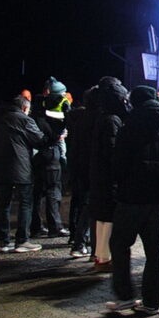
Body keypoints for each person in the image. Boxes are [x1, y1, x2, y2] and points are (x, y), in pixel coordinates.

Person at [106, 86, 159, 316]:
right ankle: (152, 302)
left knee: (120, 245)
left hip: (130, 199)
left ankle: (125, 296)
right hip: (157, 201)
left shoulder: (128, 130)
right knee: (154, 250)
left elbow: (117, 165)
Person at [0, 96, 46, 253]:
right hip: (21, 168)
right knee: (25, 203)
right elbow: (39, 140)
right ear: (24, 108)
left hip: (0, 168)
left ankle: (3, 241)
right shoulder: (25, 120)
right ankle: (22, 240)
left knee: (3, 204)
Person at [90, 76, 129, 272]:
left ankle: (100, 255)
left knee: (102, 217)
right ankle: (105, 258)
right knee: (109, 218)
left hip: (100, 176)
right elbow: (112, 149)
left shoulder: (102, 117)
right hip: (109, 178)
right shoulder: (113, 120)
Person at [31, 76, 70, 238]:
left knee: (38, 191)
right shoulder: (60, 105)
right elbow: (55, 131)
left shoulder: (38, 107)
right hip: (51, 152)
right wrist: (59, 136)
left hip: (37, 155)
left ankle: (35, 226)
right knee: (53, 190)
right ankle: (55, 226)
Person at [66, 85, 99, 258]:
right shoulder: (96, 119)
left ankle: (77, 239)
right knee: (89, 205)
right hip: (90, 168)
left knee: (81, 203)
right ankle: (82, 242)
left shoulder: (79, 118)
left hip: (79, 166)